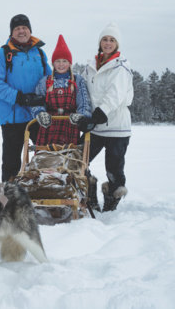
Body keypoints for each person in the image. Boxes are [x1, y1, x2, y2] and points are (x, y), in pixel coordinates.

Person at [0, 14, 51, 182]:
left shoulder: (40, 53)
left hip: (37, 115)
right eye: (17, 29)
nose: (21, 31)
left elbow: (50, 80)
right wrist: (20, 98)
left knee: (46, 157)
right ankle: (8, 199)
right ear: (11, 32)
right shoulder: (2, 54)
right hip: (12, 116)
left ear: (30, 30)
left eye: (24, 28)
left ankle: (44, 193)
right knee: (11, 163)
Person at [81, 22, 134, 212]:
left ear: (117, 44)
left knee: (114, 169)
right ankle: (90, 191)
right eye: (105, 39)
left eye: (112, 40)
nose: (108, 43)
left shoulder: (121, 67)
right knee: (79, 160)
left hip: (116, 126)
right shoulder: (89, 67)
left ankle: (111, 201)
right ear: (100, 42)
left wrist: (100, 113)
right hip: (94, 126)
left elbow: (115, 94)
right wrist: (82, 114)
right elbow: (82, 91)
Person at [30, 34, 91, 146]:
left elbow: (84, 102)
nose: (61, 64)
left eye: (64, 61)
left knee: (68, 159)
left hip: (70, 126)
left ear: (69, 63)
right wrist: (40, 113)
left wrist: (81, 115)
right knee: (46, 158)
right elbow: (36, 101)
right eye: (58, 61)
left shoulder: (77, 80)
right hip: (48, 126)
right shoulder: (45, 81)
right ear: (53, 63)